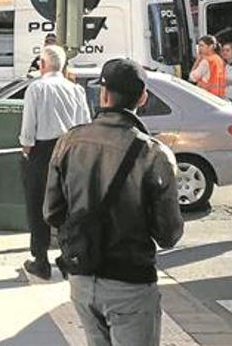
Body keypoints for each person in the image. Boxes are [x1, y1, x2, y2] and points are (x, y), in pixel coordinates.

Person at [44, 58, 184, 346]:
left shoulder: (69, 142)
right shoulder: (153, 154)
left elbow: (51, 211)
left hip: (81, 276)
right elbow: (169, 234)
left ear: (103, 95)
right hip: (130, 283)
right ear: (143, 97)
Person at [18, 45, 91, 279]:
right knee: (66, 205)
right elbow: (84, 123)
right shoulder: (76, 90)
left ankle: (41, 259)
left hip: (43, 150)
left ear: (43, 64)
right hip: (70, 149)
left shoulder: (36, 88)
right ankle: (68, 256)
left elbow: (29, 125)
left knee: (38, 204)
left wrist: (26, 148)